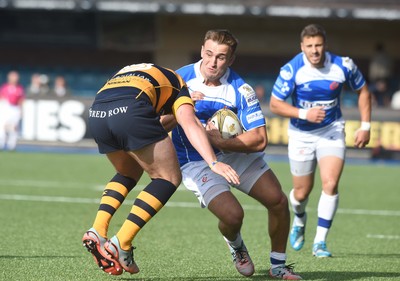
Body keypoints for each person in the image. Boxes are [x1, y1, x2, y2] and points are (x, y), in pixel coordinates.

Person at [82, 63, 240, 276]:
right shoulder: (180, 85)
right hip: (130, 110)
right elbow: (189, 122)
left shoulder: (145, 74)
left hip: (98, 112)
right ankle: (122, 243)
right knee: (168, 178)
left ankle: (97, 230)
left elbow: (155, 124)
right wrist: (213, 162)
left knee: (128, 172)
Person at [170, 29, 302, 279]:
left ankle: (278, 266)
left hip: (232, 153)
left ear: (230, 60)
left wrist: (222, 142)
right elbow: (159, 121)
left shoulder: (241, 89)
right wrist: (183, 103)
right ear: (201, 51)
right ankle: (236, 245)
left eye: (221, 57)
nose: (212, 62)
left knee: (278, 201)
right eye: (209, 54)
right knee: (233, 216)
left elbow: (260, 139)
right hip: (195, 160)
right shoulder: (179, 79)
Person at [269, 24, 372, 258]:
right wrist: (304, 114)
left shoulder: (343, 65)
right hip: (302, 134)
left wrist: (365, 126)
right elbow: (275, 103)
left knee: (330, 183)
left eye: (318, 45)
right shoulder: (291, 69)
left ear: (324, 45)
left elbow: (364, 91)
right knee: (302, 193)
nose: (314, 50)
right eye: (309, 46)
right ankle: (299, 218)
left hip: (332, 130)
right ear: (302, 47)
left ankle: (320, 242)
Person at [0, 70, 25, 151]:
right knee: (2, 126)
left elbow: (21, 100)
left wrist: (21, 111)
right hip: (6, 108)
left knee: (14, 127)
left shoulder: (19, 88)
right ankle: (1, 143)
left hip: (15, 109)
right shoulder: (5, 87)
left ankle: (12, 145)